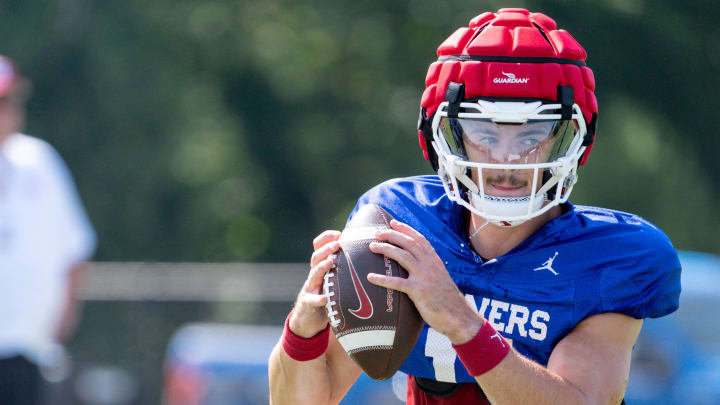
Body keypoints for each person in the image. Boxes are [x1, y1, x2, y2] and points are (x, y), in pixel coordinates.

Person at [269, 8, 681, 405]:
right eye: (483, 132)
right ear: (444, 134)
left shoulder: (610, 258)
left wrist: (462, 321)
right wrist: (303, 329)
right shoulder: (402, 223)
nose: (505, 158)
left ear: (572, 138)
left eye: (531, 135)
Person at [0, 56, 96, 404]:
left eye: (10, 100)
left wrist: (58, 328)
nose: (7, 110)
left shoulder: (39, 161)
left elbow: (77, 249)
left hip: (29, 352)